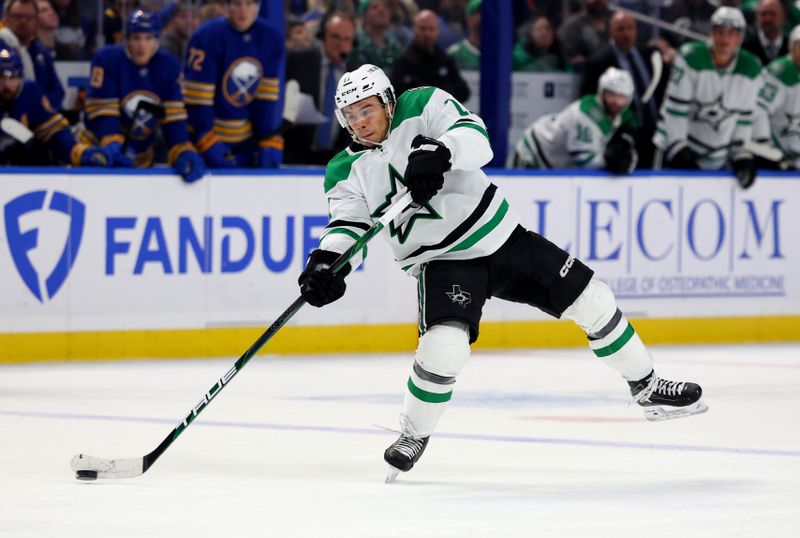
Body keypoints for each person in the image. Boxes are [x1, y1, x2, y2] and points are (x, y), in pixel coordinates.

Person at [297, 64, 707, 482]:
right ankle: (413, 434)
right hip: (442, 262)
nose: (360, 121)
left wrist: (440, 151)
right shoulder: (344, 169)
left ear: (387, 101)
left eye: (366, 109)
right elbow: (348, 226)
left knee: (594, 299)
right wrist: (327, 264)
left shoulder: (422, 104)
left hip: (502, 239)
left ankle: (647, 384)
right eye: (350, 115)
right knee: (445, 345)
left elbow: (477, 137)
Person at [83, 9, 207, 182]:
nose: (142, 46)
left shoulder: (168, 65)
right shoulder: (107, 59)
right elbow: (102, 111)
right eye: (136, 38)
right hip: (98, 151)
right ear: (126, 39)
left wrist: (182, 148)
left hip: (142, 158)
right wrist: (112, 143)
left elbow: (173, 116)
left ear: (157, 40)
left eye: (148, 38)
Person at [653, 7, 762, 189]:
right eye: (720, 32)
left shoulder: (751, 68)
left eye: (732, 34)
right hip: (677, 148)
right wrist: (678, 148)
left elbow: (743, 120)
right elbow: (675, 111)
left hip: (718, 158)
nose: (725, 39)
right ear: (712, 33)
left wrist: (741, 155)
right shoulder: (690, 57)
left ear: (740, 37)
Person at [184, 0, 284, 168]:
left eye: (249, 3)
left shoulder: (271, 38)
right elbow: (198, 101)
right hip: (207, 143)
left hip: (247, 142)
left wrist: (268, 137)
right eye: (237, 3)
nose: (243, 10)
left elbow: (266, 99)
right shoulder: (206, 37)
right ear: (226, 5)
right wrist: (205, 137)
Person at [580, 11, 667, 168]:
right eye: (620, 29)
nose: (626, 33)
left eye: (630, 28)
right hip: (621, 137)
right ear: (611, 32)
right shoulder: (599, 62)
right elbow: (588, 101)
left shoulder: (649, 54)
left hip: (654, 135)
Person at [513, 67, 638, 174]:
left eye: (622, 96)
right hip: (534, 153)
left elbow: (630, 153)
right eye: (611, 94)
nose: (616, 102)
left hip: (559, 166)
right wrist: (607, 160)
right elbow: (583, 159)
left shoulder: (625, 118)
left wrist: (628, 161)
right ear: (601, 92)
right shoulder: (585, 114)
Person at [0, 46, 110, 166]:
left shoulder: (29, 93)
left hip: (22, 170)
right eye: (1, 78)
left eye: (12, 77)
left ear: (21, 77)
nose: (6, 85)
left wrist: (79, 152)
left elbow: (55, 130)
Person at [284, 10, 356, 165]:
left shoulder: (356, 74)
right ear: (323, 35)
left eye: (346, 39)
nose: (340, 44)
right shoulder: (298, 60)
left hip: (336, 161)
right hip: (294, 157)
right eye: (335, 37)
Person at [390, 9, 470, 103]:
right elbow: (396, 95)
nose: (427, 34)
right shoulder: (403, 63)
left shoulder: (446, 61)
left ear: (438, 31)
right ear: (414, 29)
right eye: (422, 28)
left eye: (431, 29)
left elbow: (464, 91)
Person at [1, 0, 64, 109]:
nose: (23, 21)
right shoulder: (2, 50)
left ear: (36, 20)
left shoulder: (42, 52)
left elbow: (58, 91)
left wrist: (39, 105)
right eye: (17, 16)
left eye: (29, 17)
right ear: (6, 17)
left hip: (41, 116)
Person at [753, 24, 800, 169]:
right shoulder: (780, 72)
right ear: (791, 49)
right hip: (778, 160)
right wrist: (768, 151)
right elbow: (758, 109)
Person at [742, 0, 789, 66]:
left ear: (783, 17)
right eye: (763, 14)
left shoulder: (791, 48)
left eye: (773, 14)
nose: (768, 18)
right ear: (757, 17)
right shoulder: (745, 47)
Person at [446, 0, 480, 71]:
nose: (483, 17)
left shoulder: (507, 55)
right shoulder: (453, 54)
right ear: (468, 18)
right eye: (478, 12)